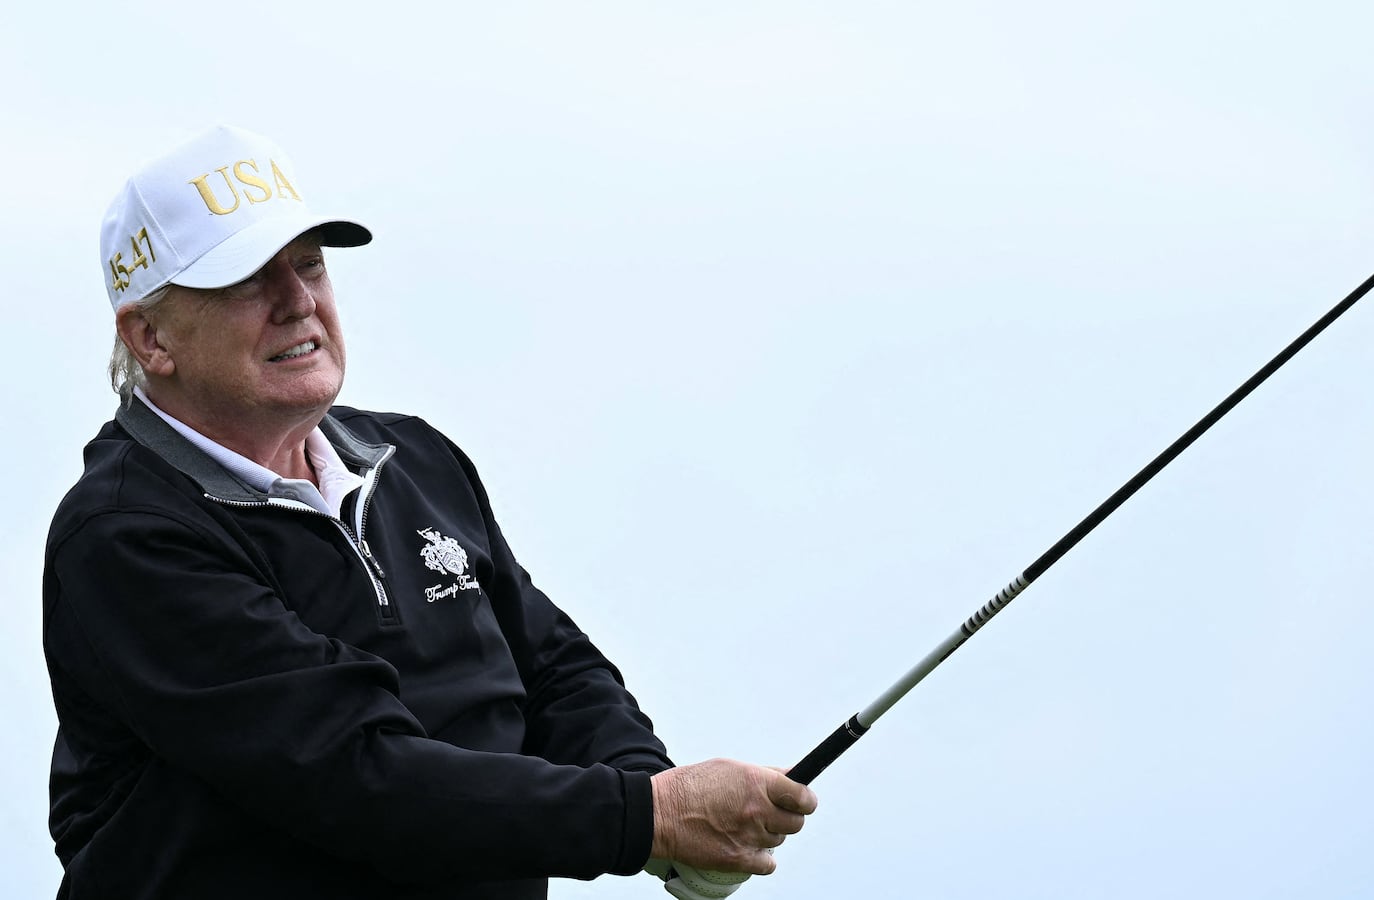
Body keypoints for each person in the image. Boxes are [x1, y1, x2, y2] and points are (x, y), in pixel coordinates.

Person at [42, 125, 816, 900]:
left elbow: (550, 670)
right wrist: (646, 819)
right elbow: (356, 774)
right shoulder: (125, 534)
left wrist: (648, 786)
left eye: (310, 263)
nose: (300, 301)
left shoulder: (413, 457)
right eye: (249, 281)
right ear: (150, 336)